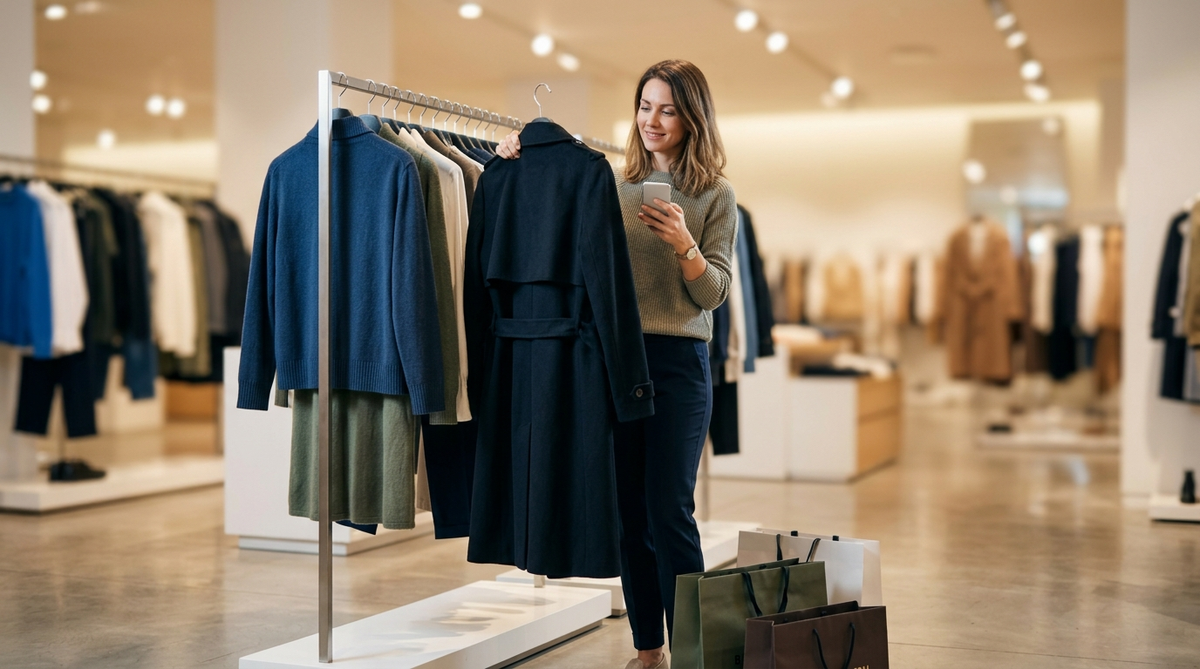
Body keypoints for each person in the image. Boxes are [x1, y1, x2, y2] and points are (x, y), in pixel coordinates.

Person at [496, 59, 737, 669]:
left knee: (670, 510)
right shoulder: (611, 181)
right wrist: (515, 155)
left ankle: (694, 653)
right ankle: (648, 650)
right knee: (629, 511)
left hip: (679, 361)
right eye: (645, 106)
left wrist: (683, 243)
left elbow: (713, 294)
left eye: (668, 110)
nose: (653, 120)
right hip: (617, 358)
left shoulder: (715, 193)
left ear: (693, 118)